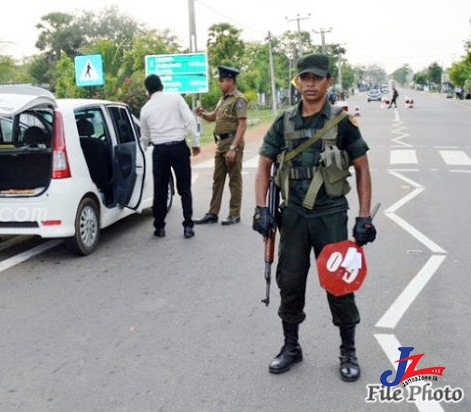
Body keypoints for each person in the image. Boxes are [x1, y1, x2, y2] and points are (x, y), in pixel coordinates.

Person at [252, 53, 377, 382]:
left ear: (328, 82)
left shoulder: (342, 123)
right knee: (290, 282)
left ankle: (347, 350)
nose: (309, 83)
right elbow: (264, 164)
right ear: (298, 81)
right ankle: (291, 347)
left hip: (331, 214)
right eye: (304, 77)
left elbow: (362, 169)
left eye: (316, 77)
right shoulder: (284, 121)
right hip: (292, 216)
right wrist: (261, 207)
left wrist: (364, 216)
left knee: (339, 285)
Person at [140, 74, 201, 238]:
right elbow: (190, 120)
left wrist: (143, 149)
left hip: (159, 151)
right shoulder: (175, 98)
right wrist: (196, 143)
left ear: (148, 91)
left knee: (160, 189)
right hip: (179, 148)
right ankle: (188, 225)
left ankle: (159, 226)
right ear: (162, 85)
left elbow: (145, 137)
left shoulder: (145, 109)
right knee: (185, 188)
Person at [194, 66, 248, 226]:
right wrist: (202, 114)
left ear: (230, 81)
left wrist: (233, 148)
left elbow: (242, 125)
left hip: (232, 143)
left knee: (234, 179)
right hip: (220, 143)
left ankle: (234, 214)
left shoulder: (239, 99)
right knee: (217, 179)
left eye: (222, 81)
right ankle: (213, 213)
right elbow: (212, 117)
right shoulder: (223, 99)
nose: (220, 84)